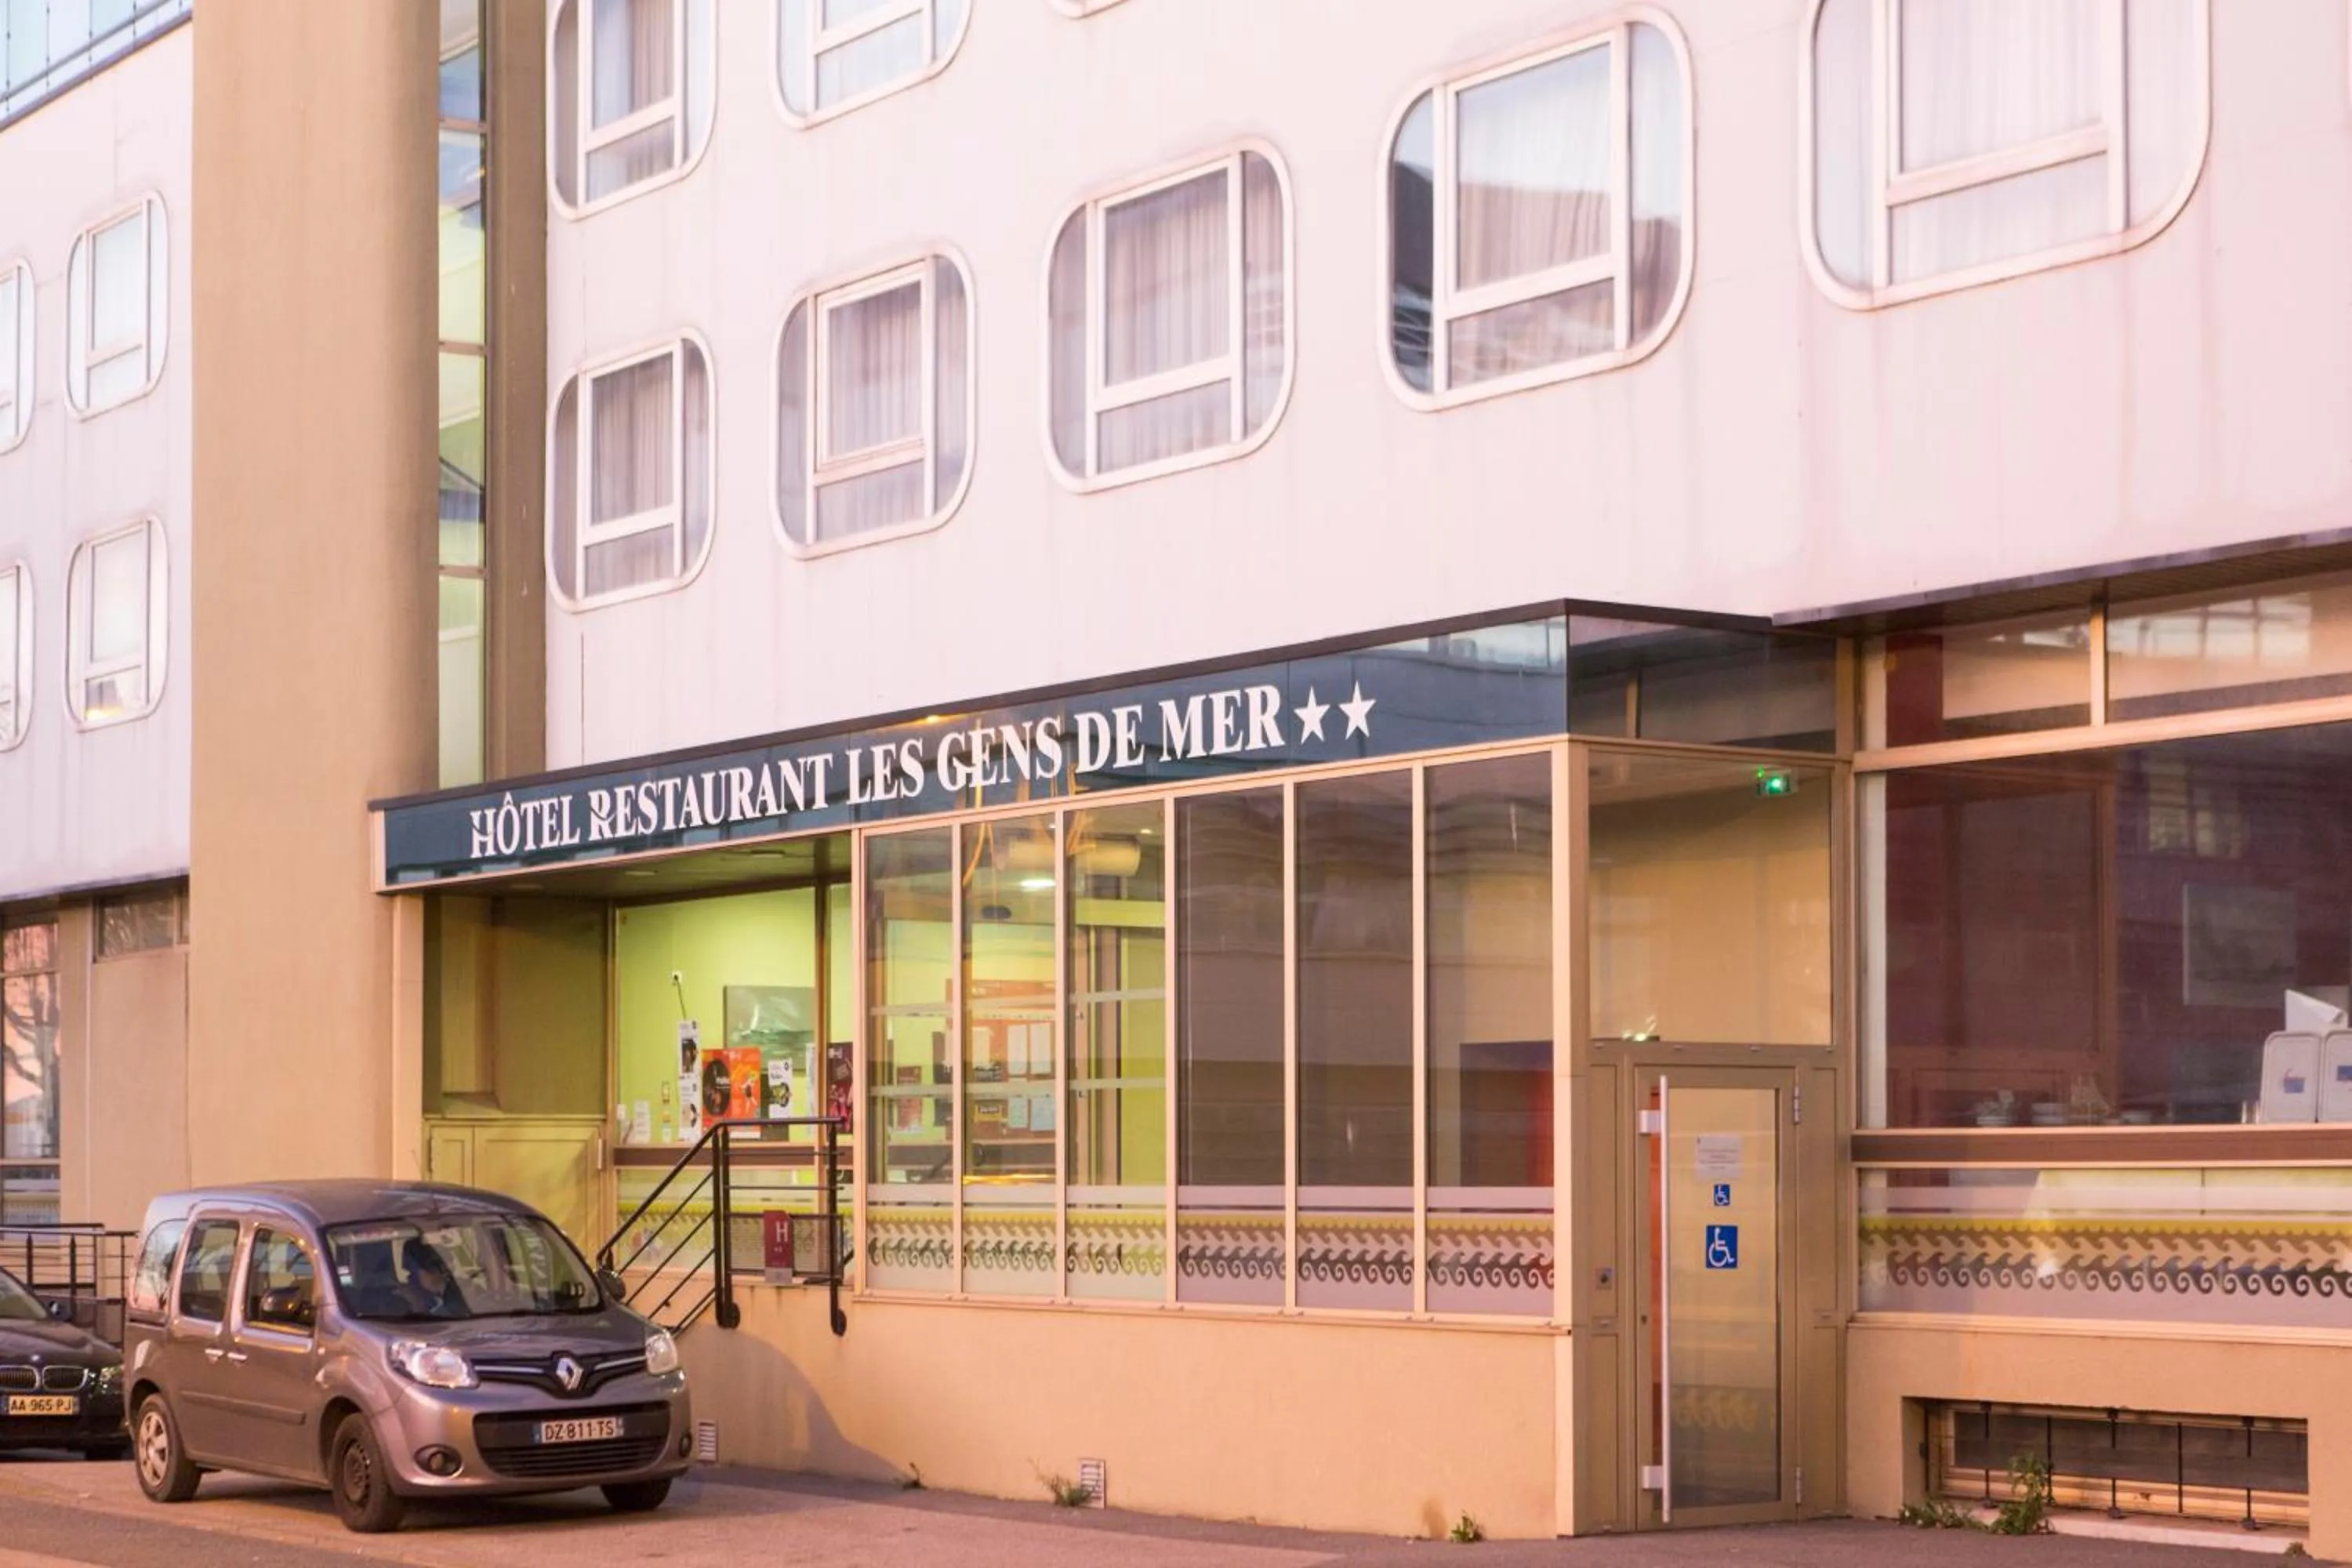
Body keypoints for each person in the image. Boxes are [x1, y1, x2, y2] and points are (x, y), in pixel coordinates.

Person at [397, 1239, 465, 1318]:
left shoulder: (455, 1302)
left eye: (414, 1273)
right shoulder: (460, 1290)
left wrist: (416, 1304)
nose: (411, 1278)